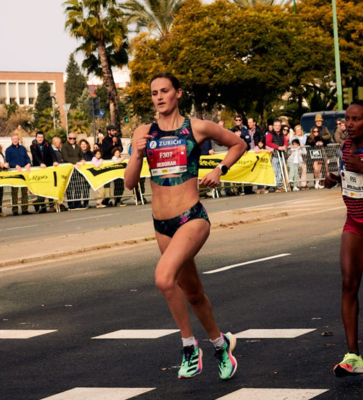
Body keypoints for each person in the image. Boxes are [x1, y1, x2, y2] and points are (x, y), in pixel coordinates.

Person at [124, 72, 246, 380]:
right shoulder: (143, 132)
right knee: (192, 292)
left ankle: (189, 347)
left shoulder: (196, 127)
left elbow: (238, 144)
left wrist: (220, 168)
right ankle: (221, 345)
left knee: (164, 279)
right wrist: (137, 154)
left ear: (178, 92)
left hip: (191, 218)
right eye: (154, 93)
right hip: (162, 224)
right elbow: (129, 183)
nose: (159, 97)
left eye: (165, 91)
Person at [325, 99, 363, 378]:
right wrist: (336, 179)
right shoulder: (347, 146)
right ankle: (353, 356)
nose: (348, 124)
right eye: (347, 119)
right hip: (356, 222)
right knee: (348, 284)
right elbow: (351, 177)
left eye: (356, 119)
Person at [30, 131, 58, 213]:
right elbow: (35, 156)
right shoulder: (33, 146)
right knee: (41, 188)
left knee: (49, 186)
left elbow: (52, 153)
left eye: (41, 137)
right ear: (36, 138)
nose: (40, 139)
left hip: (48, 168)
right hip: (39, 169)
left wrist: (55, 161)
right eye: (38, 137)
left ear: (43, 137)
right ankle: (40, 205)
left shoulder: (47, 145)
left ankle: (51, 204)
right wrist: (41, 163)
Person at [5, 133, 31, 216]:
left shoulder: (23, 148)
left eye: (16, 139)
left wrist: (28, 164)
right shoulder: (8, 150)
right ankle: (15, 209)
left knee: (24, 191)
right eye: (14, 139)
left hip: (23, 173)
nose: (15, 141)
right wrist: (15, 165)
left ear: (18, 139)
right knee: (14, 192)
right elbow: (8, 161)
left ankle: (24, 209)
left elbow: (27, 158)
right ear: (12, 140)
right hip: (15, 173)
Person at [101, 124, 124, 206]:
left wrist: (117, 143)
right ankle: (106, 200)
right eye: (112, 130)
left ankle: (118, 199)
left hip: (117, 162)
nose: (114, 132)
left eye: (115, 130)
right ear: (108, 131)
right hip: (108, 162)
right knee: (107, 183)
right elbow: (104, 150)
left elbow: (121, 149)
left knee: (119, 182)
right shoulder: (105, 140)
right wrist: (112, 144)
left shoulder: (118, 139)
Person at [62, 132, 85, 210]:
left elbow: (81, 155)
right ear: (68, 138)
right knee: (70, 187)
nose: (72, 140)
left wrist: (82, 160)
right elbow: (66, 158)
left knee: (78, 186)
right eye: (70, 138)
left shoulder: (78, 147)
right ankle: (71, 203)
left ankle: (78, 202)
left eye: (74, 138)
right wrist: (75, 162)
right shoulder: (64, 146)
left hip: (77, 169)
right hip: (69, 169)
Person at [266, 119, 288, 192]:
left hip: (281, 155)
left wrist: (284, 146)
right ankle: (276, 186)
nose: (277, 127)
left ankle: (278, 185)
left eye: (279, 125)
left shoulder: (282, 134)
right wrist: (278, 147)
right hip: (274, 155)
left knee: (280, 171)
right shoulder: (270, 134)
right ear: (273, 126)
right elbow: (268, 142)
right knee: (275, 171)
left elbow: (285, 142)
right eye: (276, 125)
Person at [290, 125, 308, 189]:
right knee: (296, 170)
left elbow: (304, 143)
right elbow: (294, 144)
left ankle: (303, 184)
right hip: (295, 156)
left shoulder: (304, 137)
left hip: (303, 155)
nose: (298, 131)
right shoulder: (293, 138)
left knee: (303, 169)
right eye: (296, 130)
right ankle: (296, 184)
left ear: (301, 130)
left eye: (299, 129)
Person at [79, 139, 94, 208]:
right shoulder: (78, 153)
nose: (83, 145)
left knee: (86, 188)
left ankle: (86, 202)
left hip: (88, 174)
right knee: (79, 189)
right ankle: (78, 203)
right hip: (80, 173)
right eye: (82, 144)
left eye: (85, 144)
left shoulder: (90, 153)